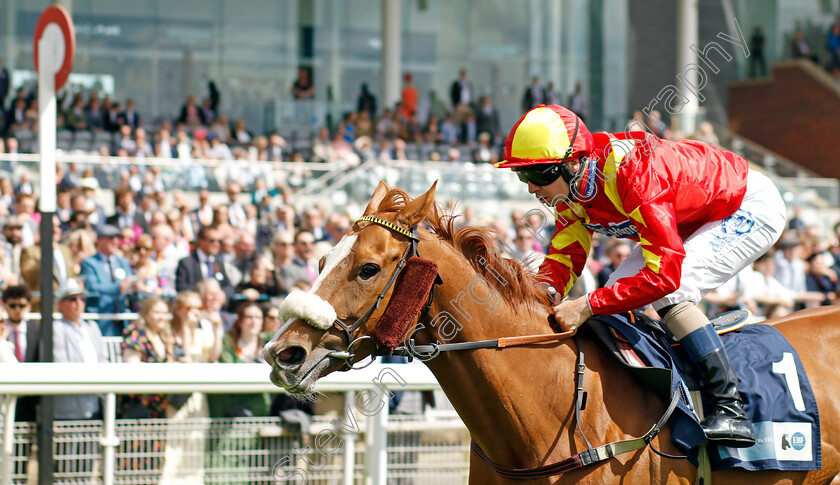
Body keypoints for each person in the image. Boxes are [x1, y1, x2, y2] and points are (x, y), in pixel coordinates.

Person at [496, 104, 787, 447]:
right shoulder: (571, 187)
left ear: (573, 163)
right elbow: (565, 252)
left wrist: (586, 305)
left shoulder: (633, 173)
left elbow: (665, 276)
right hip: (691, 216)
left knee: (669, 290)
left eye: (538, 175)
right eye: (522, 176)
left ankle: (730, 408)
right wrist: (544, 290)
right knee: (612, 293)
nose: (531, 189)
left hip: (744, 203)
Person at [80, 224, 137, 337]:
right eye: (111, 238)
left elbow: (129, 283)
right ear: (100, 240)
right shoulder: (89, 262)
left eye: (118, 238)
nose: (116, 242)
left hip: (122, 318)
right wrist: (118, 287)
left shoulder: (122, 262)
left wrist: (135, 287)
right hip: (101, 317)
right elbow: (92, 287)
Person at [1, 285, 40, 421]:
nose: (17, 310)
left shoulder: (38, 330)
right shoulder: (1, 331)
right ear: (4, 305)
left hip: (30, 400)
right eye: (12, 305)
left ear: (28, 306)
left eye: (21, 306)